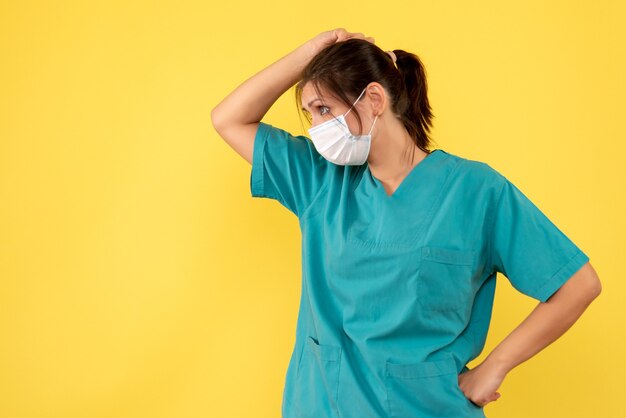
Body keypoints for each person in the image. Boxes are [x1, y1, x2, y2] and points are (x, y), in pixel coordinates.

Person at [211, 28, 602, 418]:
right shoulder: (319, 181)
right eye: (309, 114)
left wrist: (495, 367)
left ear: (374, 99)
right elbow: (229, 119)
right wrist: (311, 54)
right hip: (324, 406)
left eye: (324, 110)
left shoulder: (475, 191)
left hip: (428, 408)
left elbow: (578, 284)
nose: (315, 129)